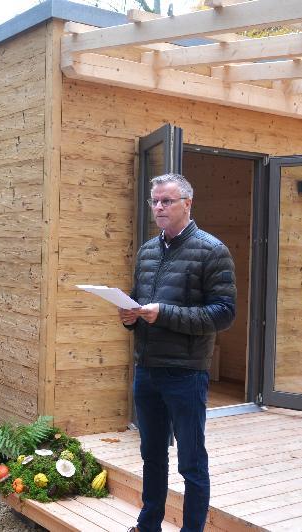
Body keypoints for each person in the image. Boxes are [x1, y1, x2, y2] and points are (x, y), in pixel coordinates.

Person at [119, 173, 236, 532]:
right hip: (147, 369)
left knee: (191, 462)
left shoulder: (212, 250)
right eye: (154, 201)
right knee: (151, 456)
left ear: (187, 203)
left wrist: (162, 314)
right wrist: (130, 316)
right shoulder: (148, 250)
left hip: (185, 373)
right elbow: (142, 303)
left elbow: (224, 313)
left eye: (166, 201)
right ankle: (148, 523)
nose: (158, 207)